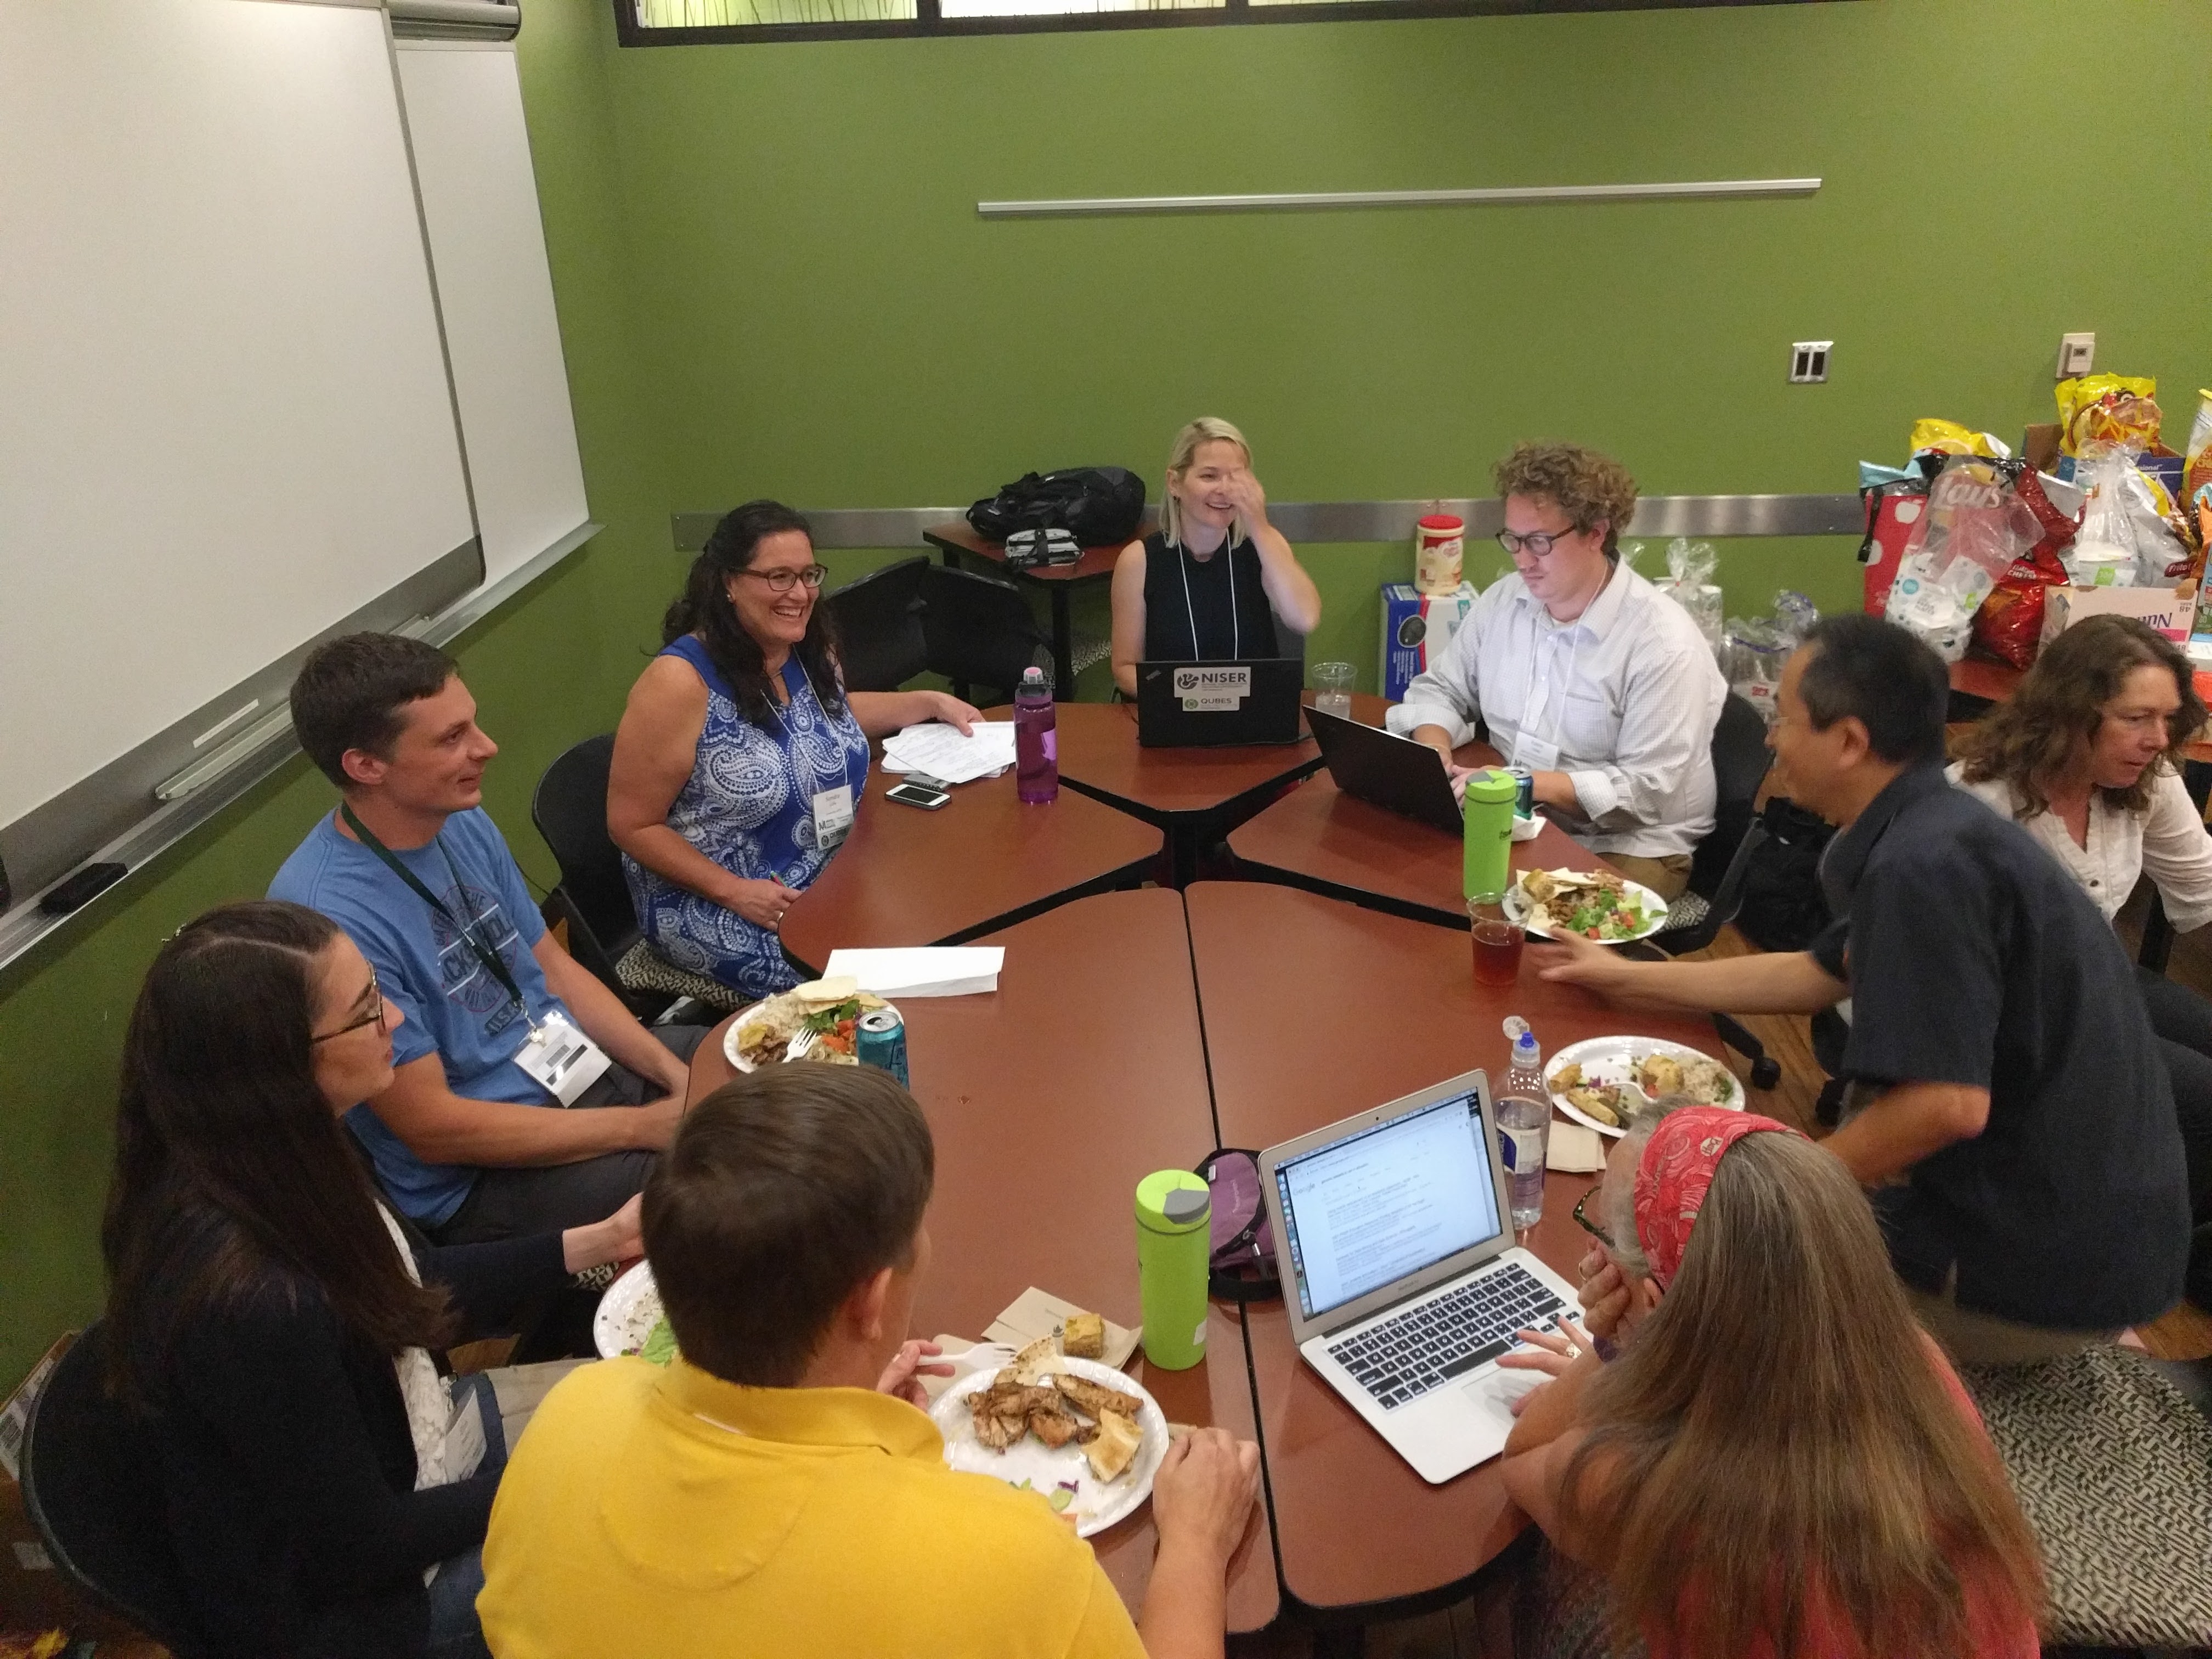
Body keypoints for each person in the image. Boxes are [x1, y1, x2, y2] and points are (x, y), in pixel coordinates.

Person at [1537, 613, 2190, 1362]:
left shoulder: (1922, 868)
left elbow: (1945, 1105)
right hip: (2089, 1241)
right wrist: (1627, 977)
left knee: (1690, 1276)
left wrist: (1779, 1208)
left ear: (1848, 741)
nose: (1773, 741)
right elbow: (1821, 972)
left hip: (2035, 1278)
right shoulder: (1931, 826)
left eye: (1784, 720)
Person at [479, 1064, 1263, 1659]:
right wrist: (1193, 1544)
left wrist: (859, 1404)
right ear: (871, 1299)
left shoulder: (565, 1425)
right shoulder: (1005, 1562)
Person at [100, 901, 643, 1659]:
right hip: (367, 1614)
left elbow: (415, 1282)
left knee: (659, 1412)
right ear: (282, 1065)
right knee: (653, 1519)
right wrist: (571, 1475)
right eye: (364, 1010)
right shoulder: (252, 1298)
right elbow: (363, 1547)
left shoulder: (290, 1149)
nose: (394, 1015)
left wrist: (609, 1235)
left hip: (417, 1447)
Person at [1498, 1101, 2042, 1659]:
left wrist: (1620, 1349)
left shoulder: (1645, 1483)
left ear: (1662, 1306)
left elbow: (1525, 1456)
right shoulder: (1915, 1358)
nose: (1593, 1252)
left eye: (1603, 1232)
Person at [272, 633, 702, 1243]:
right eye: (452, 739)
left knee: (775, 1073)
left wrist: (671, 1073)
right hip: (484, 1174)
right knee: (732, 1181)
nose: (488, 748)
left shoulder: (460, 818)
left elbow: (554, 970)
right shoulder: (326, 916)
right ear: (366, 765)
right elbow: (434, 1127)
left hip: (581, 1075)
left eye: (472, 724)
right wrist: (646, 1127)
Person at [609, 499, 981, 1001]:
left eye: (809, 575)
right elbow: (631, 824)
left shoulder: (805, 646)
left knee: (955, 922)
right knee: (870, 995)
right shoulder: (678, 683)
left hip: (823, 866)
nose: (801, 594)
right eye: (779, 577)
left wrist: (928, 702)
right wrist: (734, 891)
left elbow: (825, 719)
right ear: (728, 582)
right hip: (721, 900)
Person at [1949, 614, 2212, 1305]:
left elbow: (2204, 889)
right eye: (2136, 718)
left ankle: (2183, 1241)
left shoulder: (2143, 779)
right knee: (2199, 1095)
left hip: (2090, 980)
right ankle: (2146, 1254)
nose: (2158, 739)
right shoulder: (1980, 800)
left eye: (2167, 718)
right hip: (2008, 1009)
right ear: (2069, 714)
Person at [1387, 442, 1725, 900]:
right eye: (1513, 539)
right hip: (1526, 817)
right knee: (1414, 877)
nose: (1523, 559)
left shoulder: (1662, 643)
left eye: (1540, 542)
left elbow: (1646, 793)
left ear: (1596, 534)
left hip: (1630, 844)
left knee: (1523, 919)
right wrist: (1434, 758)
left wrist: (1521, 784)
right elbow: (1442, 688)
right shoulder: (1506, 601)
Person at [1109, 417, 1322, 699]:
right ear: (1175, 483)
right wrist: (1195, 696)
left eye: (1236, 477)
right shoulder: (1139, 561)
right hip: (1175, 718)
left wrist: (1258, 524)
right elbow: (1125, 668)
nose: (1224, 489)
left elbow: (1305, 618)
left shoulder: (1262, 545)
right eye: (1209, 476)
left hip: (1253, 722)